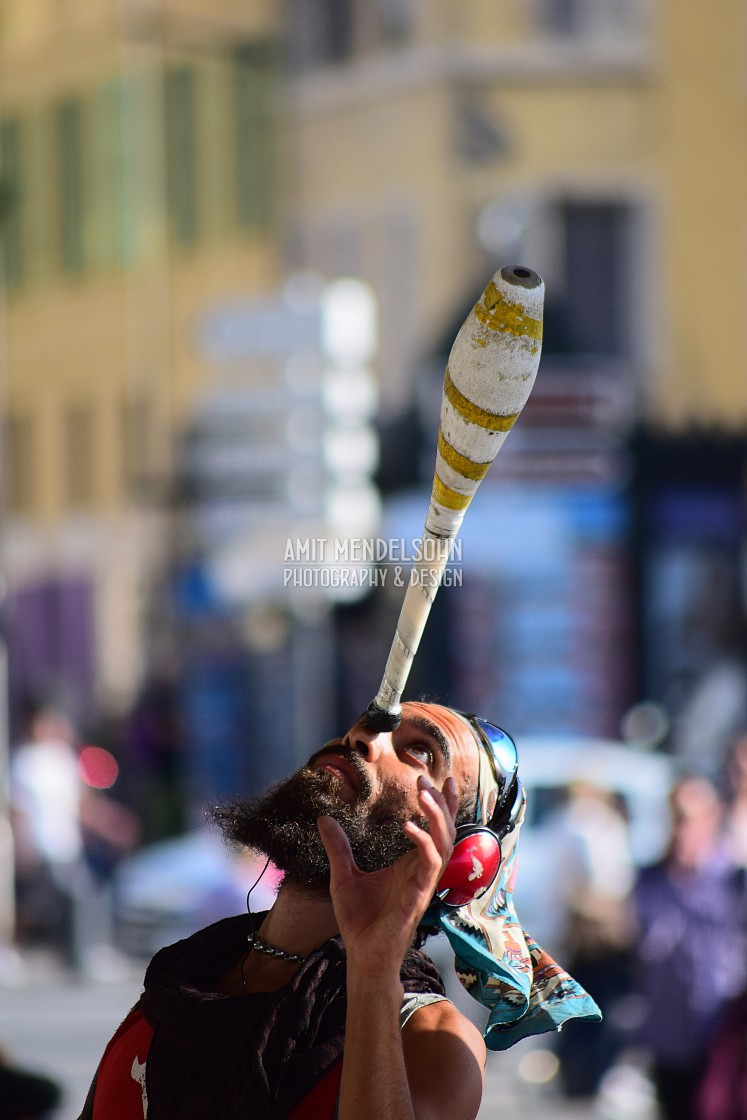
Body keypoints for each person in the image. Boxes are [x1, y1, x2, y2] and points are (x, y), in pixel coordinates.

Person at [77, 702, 600, 1119]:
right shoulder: (185, 977)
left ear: (460, 859)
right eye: (366, 727)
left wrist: (373, 969)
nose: (363, 739)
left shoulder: (430, 1040)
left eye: (419, 752)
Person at [633, 775, 747, 1120]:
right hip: (669, 1032)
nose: (684, 828)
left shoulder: (733, 880)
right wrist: (679, 875)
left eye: (692, 817)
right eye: (678, 817)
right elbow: (646, 946)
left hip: (721, 1030)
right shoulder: (652, 878)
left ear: (712, 818)